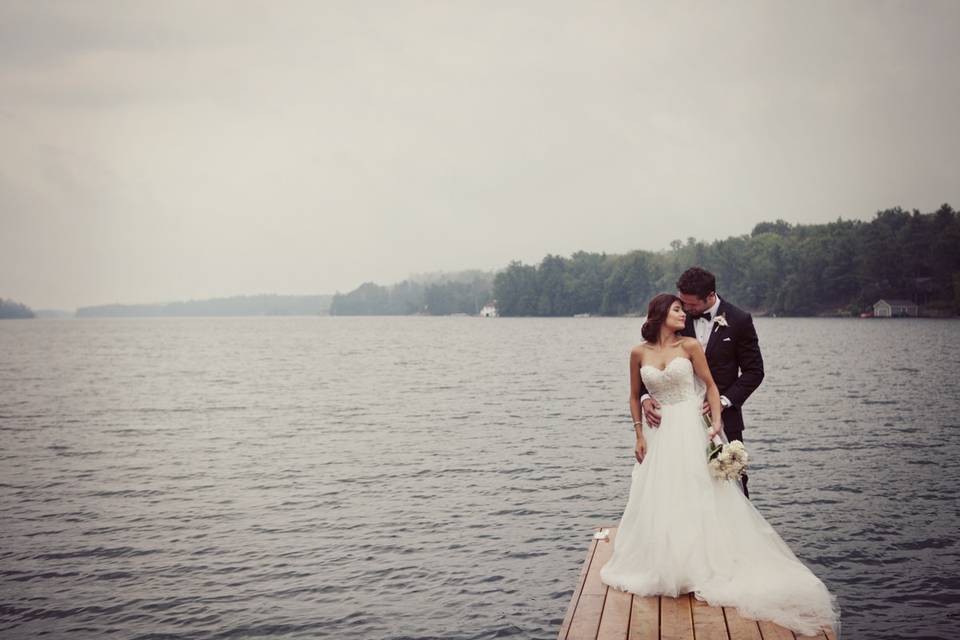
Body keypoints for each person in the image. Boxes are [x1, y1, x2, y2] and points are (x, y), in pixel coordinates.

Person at [599, 293, 840, 636]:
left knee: (700, 493)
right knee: (661, 496)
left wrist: (715, 425)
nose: (684, 313)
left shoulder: (691, 347)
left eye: (685, 308)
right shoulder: (638, 353)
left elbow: (710, 386)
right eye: (678, 309)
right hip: (660, 433)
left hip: (692, 427)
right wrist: (638, 433)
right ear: (660, 315)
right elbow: (633, 394)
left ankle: (702, 564)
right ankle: (666, 564)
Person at [639, 267, 764, 497]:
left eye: (692, 305)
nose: (686, 310)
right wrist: (645, 397)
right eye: (682, 303)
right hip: (675, 423)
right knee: (678, 484)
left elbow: (754, 372)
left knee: (732, 484)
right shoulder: (676, 318)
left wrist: (724, 401)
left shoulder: (739, 320)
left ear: (710, 295)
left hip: (724, 418)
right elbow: (654, 361)